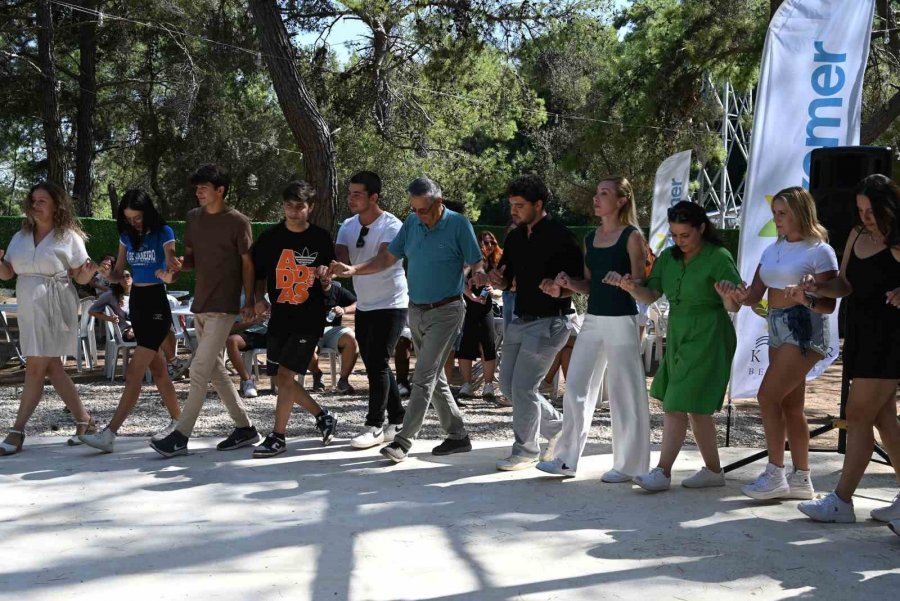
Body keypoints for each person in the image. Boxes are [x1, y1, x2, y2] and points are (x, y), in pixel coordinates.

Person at [331, 176, 483, 462]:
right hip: (416, 309)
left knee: (423, 377)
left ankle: (402, 441)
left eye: (423, 209)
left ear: (438, 203)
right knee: (433, 378)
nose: (418, 215)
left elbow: (476, 260)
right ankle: (458, 435)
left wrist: (479, 273)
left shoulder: (459, 224)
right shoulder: (412, 223)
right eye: (413, 209)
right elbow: (387, 258)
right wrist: (354, 271)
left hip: (446, 310)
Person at [609, 201, 742, 491]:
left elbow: (734, 304)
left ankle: (663, 471)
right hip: (680, 332)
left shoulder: (719, 257)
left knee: (676, 402)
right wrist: (631, 287)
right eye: (674, 235)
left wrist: (727, 296)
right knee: (696, 409)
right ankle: (714, 471)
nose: (679, 242)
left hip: (709, 334)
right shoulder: (668, 258)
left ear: (702, 228)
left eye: (685, 235)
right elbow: (650, 295)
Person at [797, 174, 900, 525]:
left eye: (871, 210)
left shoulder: (898, 237)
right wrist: (818, 289)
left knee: (857, 415)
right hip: (860, 333)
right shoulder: (857, 234)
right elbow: (844, 284)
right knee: (884, 418)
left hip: (891, 336)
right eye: (860, 209)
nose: (865, 216)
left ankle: (841, 500)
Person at [536, 177, 650, 482]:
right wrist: (569, 284)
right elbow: (588, 284)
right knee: (575, 387)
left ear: (622, 200)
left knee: (624, 393)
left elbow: (641, 285)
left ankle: (629, 466)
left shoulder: (632, 236)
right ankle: (565, 459)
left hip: (623, 319)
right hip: (594, 319)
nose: (596, 198)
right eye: (597, 193)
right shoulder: (591, 238)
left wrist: (626, 282)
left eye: (604, 193)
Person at [729, 187, 838, 500]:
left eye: (782, 213)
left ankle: (775, 472)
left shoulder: (819, 250)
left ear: (800, 213)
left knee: (767, 396)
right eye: (774, 213)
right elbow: (753, 297)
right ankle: (802, 480)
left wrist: (806, 295)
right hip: (776, 326)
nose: (776, 219)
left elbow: (829, 304)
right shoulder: (772, 249)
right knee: (792, 405)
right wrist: (736, 293)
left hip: (804, 329)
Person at [150, 164, 260, 457]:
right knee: (213, 369)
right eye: (196, 187)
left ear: (220, 190)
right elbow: (191, 260)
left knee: (198, 369)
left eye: (203, 187)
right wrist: (176, 266)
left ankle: (180, 435)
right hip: (200, 303)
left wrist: (249, 300)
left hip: (224, 306)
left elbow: (248, 264)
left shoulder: (239, 222)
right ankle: (245, 428)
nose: (198, 192)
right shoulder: (193, 218)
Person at [478, 174, 584, 472]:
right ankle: (558, 429)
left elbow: (580, 282)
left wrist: (561, 287)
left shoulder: (562, 236)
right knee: (509, 386)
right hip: (519, 319)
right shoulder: (513, 237)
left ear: (539, 204)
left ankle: (525, 450)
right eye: (512, 204)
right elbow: (507, 278)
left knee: (525, 387)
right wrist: (496, 278)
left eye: (520, 205)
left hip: (551, 322)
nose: (514, 210)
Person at [79, 189, 184, 453]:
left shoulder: (164, 232)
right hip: (137, 301)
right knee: (158, 370)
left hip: (156, 303)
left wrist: (171, 273)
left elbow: (172, 267)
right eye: (128, 218)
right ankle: (180, 424)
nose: (134, 222)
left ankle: (109, 434)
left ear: (147, 212)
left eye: (137, 217)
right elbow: (117, 274)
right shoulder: (126, 236)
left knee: (134, 373)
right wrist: (104, 274)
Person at [0, 182, 98, 456]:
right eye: (33, 200)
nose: (36, 204)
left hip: (56, 304)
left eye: (42, 200)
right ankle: (85, 421)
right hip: (29, 306)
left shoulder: (68, 236)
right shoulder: (20, 236)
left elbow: (79, 275)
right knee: (51, 366)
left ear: (56, 205)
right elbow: (7, 273)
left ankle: (17, 431)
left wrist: (88, 275)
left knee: (35, 365)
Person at [250, 180, 338, 458]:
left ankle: (278, 437)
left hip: (309, 316)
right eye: (289, 205)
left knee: (287, 375)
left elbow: (329, 277)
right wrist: (257, 299)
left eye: (299, 206)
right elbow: (259, 274)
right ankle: (323, 415)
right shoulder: (270, 237)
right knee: (281, 378)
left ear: (309, 208)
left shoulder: (321, 238)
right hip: (279, 316)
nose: (293, 211)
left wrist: (325, 278)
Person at [335, 171, 410, 449]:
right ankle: (398, 419)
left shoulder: (393, 225)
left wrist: (352, 269)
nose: (351, 199)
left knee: (377, 360)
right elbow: (340, 258)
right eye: (349, 193)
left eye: (357, 194)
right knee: (375, 362)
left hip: (392, 303)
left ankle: (375, 425)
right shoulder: (347, 225)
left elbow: (384, 260)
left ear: (374, 197)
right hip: (366, 304)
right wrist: (331, 269)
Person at [456, 232, 502, 401]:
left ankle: (488, 386)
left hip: (487, 308)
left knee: (488, 345)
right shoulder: (471, 261)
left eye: (492, 242)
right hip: (470, 308)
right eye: (486, 242)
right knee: (466, 346)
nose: (489, 246)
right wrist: (472, 297)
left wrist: (493, 290)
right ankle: (467, 384)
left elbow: (502, 288)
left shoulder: (497, 262)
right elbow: (459, 280)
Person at [309, 275, 358, 393]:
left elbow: (358, 303)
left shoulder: (339, 290)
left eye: (327, 274)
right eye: (320, 274)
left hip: (333, 330)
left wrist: (344, 310)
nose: (324, 277)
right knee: (304, 345)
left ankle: (343, 380)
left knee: (352, 340)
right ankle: (317, 374)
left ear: (332, 276)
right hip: (311, 330)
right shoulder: (307, 290)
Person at [225, 311, 269, 398]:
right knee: (231, 341)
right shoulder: (239, 301)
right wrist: (252, 322)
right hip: (247, 334)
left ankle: (284, 382)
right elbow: (230, 329)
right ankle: (248, 381)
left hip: (272, 333)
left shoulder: (271, 298)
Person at [90, 277, 133, 341]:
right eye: (122, 276)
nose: (125, 279)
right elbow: (92, 311)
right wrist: (110, 318)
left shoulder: (139, 293)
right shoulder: (111, 295)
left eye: (127, 275)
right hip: (125, 332)